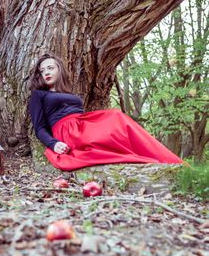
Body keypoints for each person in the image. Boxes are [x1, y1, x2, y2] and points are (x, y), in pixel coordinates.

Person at [28, 54, 183, 171]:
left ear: (59, 69)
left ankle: (166, 159)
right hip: (68, 131)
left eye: (50, 68)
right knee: (106, 132)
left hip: (82, 123)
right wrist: (53, 144)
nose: (46, 73)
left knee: (117, 116)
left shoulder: (69, 93)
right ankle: (153, 158)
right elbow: (39, 128)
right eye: (42, 71)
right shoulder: (39, 95)